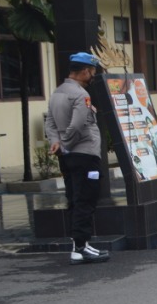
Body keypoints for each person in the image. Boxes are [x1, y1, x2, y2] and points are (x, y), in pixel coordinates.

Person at [44, 52, 110, 264]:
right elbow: (78, 124)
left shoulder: (57, 92)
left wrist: (56, 142)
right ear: (84, 72)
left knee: (74, 200)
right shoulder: (82, 95)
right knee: (86, 201)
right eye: (92, 72)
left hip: (68, 158)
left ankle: (79, 246)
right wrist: (65, 144)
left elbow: (50, 123)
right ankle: (81, 247)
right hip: (85, 156)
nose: (92, 76)